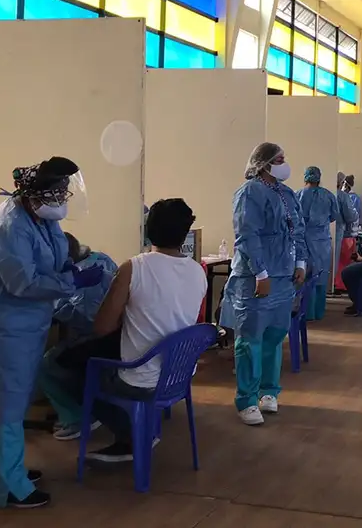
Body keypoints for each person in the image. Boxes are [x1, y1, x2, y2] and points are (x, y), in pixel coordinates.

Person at [0, 156, 104, 509]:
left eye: (64, 193)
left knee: (8, 406)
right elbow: (23, 283)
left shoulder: (42, 220)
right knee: (5, 407)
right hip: (2, 329)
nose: (61, 200)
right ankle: (10, 487)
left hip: (25, 327)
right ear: (33, 196)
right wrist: (72, 281)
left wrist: (71, 266)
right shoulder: (8, 226)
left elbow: (56, 256)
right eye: (56, 194)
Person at [48, 199, 207, 462]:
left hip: (139, 380)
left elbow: (102, 327)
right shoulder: (197, 272)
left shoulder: (134, 268)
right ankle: (138, 428)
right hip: (178, 374)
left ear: (148, 230)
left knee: (65, 368)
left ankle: (130, 434)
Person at [221, 143, 307, 426]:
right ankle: (246, 399)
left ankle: (269, 391)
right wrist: (260, 273)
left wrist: (300, 262)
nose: (284, 164)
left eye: (284, 159)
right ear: (263, 163)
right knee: (250, 339)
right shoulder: (249, 193)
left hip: (284, 277)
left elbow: (297, 231)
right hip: (256, 278)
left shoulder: (287, 194)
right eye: (279, 160)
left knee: (274, 335)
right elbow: (247, 235)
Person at [38, 232, 118, 441]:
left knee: (46, 365)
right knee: (63, 350)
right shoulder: (101, 259)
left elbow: (87, 319)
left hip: (100, 340)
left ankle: (77, 417)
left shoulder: (81, 281)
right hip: (119, 336)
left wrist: (52, 303)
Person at [295, 166, 339, 321]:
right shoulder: (328, 196)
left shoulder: (297, 195)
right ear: (319, 178)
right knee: (320, 276)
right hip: (322, 242)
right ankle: (318, 311)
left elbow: (292, 218)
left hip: (302, 240)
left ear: (305, 177)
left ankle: (305, 312)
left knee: (305, 276)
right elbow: (334, 216)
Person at [332, 173, 360, 293]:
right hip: (340, 233)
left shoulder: (325, 194)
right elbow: (351, 216)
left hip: (323, 234)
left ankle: (331, 285)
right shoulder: (342, 196)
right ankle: (336, 285)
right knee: (338, 261)